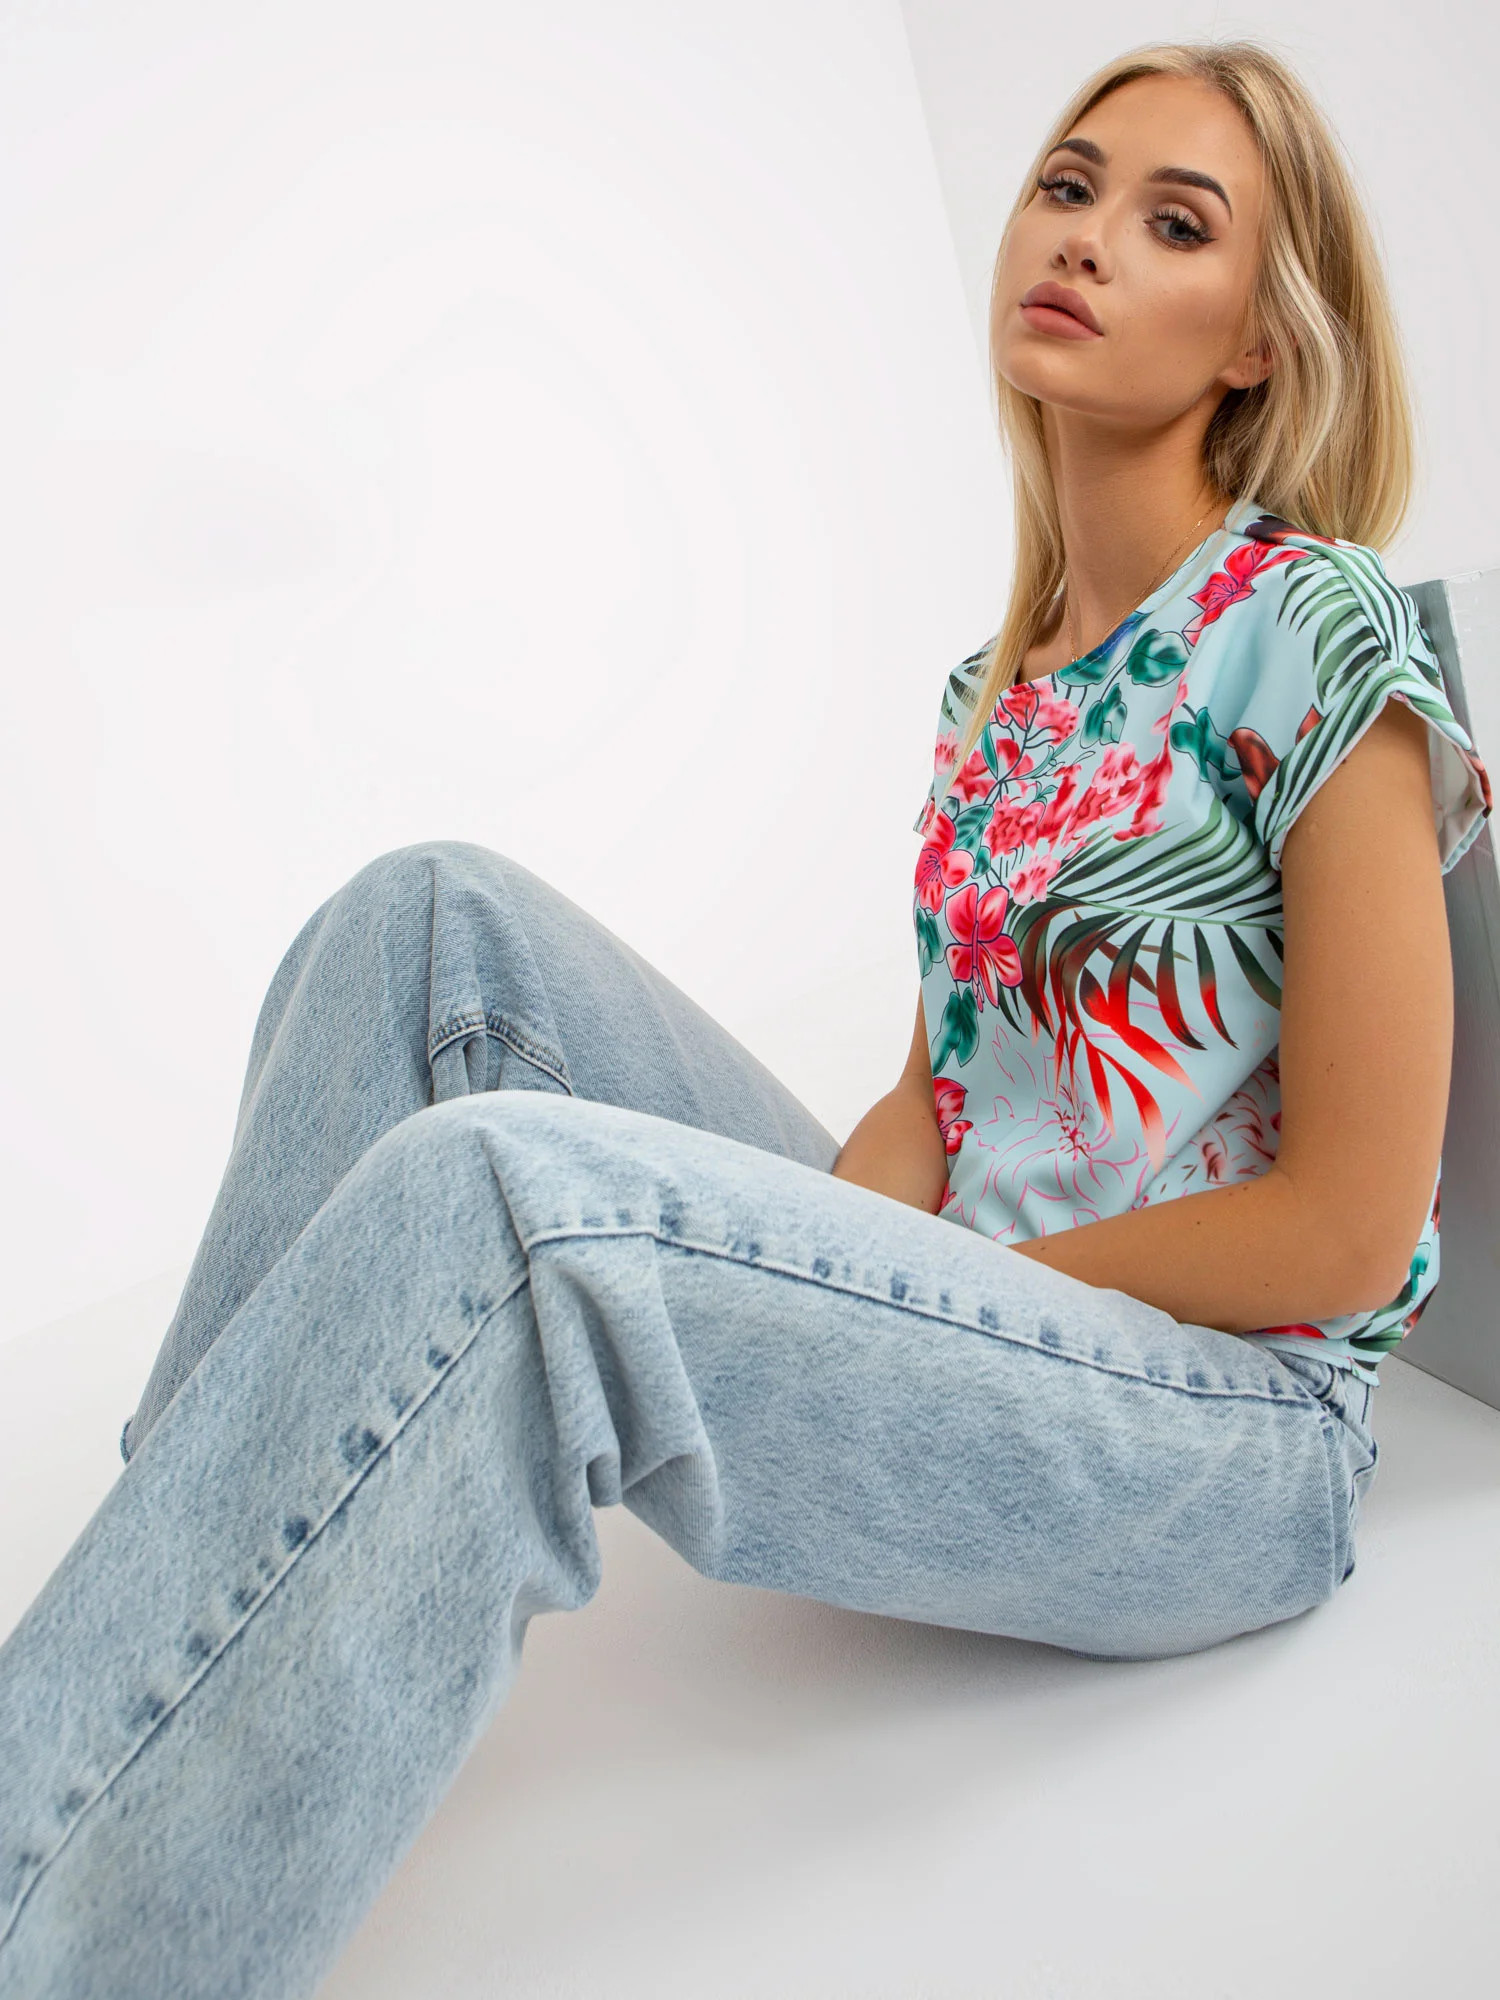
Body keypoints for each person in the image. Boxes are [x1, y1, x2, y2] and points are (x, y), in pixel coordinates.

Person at [0, 35, 1490, 1999]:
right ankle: (153, 1634)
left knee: (516, 1205)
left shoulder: (1320, 629)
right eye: (1067, 186)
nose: (1087, 240)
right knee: (427, 918)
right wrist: (835, 1271)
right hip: (994, 1306)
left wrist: (928, 1288)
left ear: (1262, 344)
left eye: (1175, 223)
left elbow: (1353, 1228)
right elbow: (944, 1096)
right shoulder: (1002, 691)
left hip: (1225, 1432)